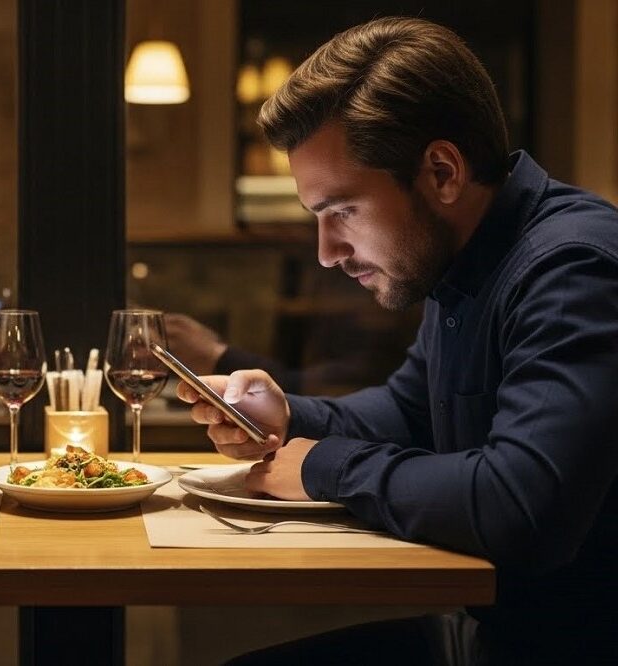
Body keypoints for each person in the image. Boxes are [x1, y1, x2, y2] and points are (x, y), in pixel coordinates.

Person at [177, 17, 618, 665]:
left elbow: (523, 508)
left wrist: (321, 467)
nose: (327, 253)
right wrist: (288, 416)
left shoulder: (574, 267)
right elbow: (406, 413)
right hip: (496, 637)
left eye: (342, 211)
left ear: (441, 171)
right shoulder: (463, 261)